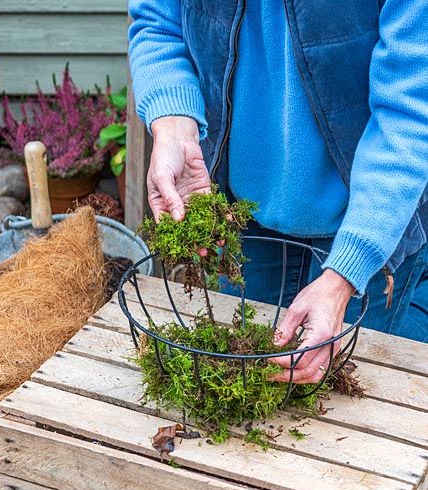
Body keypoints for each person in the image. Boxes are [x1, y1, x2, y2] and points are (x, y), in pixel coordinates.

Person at [128, 0, 428, 382]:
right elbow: (159, 23)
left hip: (374, 219)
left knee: (346, 393)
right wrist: (173, 125)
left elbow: (410, 110)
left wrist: (344, 276)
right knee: (255, 382)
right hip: (248, 214)